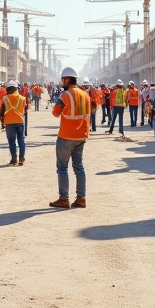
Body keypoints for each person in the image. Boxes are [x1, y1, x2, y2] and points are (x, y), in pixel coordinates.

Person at [50, 67, 90, 209]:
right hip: (81, 136)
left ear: (67, 79)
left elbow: (55, 113)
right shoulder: (85, 95)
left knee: (62, 167)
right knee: (79, 167)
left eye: (63, 80)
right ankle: (81, 198)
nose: (62, 82)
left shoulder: (65, 95)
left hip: (66, 136)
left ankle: (64, 199)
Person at [1, 80, 27, 165]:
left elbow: (2, 111)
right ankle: (21, 156)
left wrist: (1, 121)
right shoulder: (22, 98)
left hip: (9, 122)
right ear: (16, 89)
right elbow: (25, 109)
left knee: (12, 141)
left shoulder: (5, 98)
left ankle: (14, 159)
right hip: (20, 121)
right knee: (21, 140)